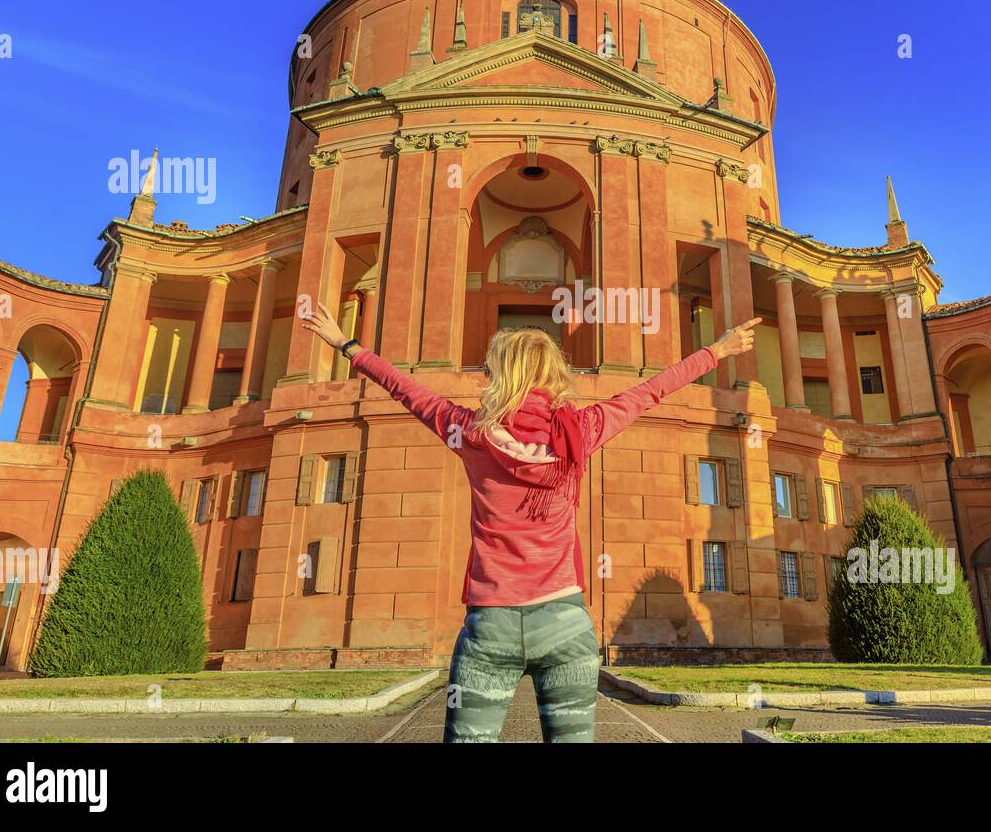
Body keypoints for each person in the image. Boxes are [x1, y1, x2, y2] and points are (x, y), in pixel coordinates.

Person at [302, 302, 759, 742]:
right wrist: (717, 351)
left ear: (501, 374)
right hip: (564, 620)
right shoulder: (583, 430)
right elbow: (650, 391)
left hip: (491, 622)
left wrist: (347, 345)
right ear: (552, 374)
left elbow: (405, 388)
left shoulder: (469, 431)